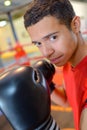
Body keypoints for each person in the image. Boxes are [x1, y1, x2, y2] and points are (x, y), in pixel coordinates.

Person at [23, 0, 87, 130]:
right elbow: (69, 101)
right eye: (38, 43)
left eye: (53, 37)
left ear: (75, 25)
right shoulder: (68, 64)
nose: (46, 52)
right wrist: (48, 84)